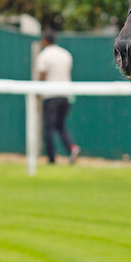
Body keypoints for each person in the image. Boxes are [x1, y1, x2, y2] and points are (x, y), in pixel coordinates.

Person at [35, 30, 80, 165]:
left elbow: (42, 76)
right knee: (60, 125)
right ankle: (72, 147)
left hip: (51, 95)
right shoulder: (65, 54)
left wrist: (38, 94)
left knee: (48, 127)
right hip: (65, 95)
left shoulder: (44, 55)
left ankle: (51, 158)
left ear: (45, 41)